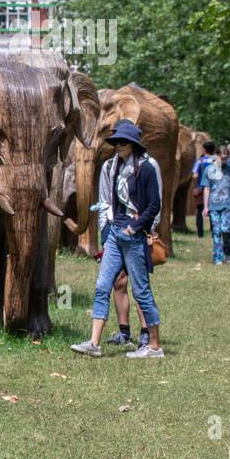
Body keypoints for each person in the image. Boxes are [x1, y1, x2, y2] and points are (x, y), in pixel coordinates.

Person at [72, 120, 164, 359]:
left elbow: (155, 204)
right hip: (114, 234)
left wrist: (136, 228)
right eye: (115, 142)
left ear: (133, 144)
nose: (117, 145)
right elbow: (105, 202)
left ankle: (154, 345)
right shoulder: (110, 167)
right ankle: (94, 343)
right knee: (103, 286)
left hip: (133, 236)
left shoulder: (147, 167)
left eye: (122, 142)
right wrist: (106, 233)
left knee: (141, 290)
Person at [200, 148, 230, 264]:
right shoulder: (209, 170)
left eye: (226, 154)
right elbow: (206, 188)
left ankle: (228, 253)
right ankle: (218, 257)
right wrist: (206, 207)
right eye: (222, 154)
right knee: (216, 231)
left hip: (228, 204)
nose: (224, 156)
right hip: (213, 206)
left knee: (225, 229)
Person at [192, 139, 217, 238]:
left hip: (201, 188)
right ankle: (213, 232)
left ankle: (200, 234)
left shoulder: (200, 161)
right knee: (213, 210)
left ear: (204, 149)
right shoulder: (216, 160)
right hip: (214, 188)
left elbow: (194, 175)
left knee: (199, 210)